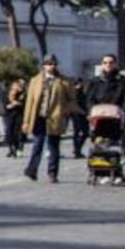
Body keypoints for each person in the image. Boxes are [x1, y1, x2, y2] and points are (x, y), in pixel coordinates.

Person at [21, 53, 77, 183]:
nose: (51, 67)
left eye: (53, 64)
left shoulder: (64, 81)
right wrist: (26, 121)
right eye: (48, 64)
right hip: (39, 117)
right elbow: (29, 102)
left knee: (53, 146)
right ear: (43, 66)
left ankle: (52, 172)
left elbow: (72, 100)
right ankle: (32, 169)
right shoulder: (35, 80)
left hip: (55, 118)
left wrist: (64, 111)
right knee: (37, 145)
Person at [3, 77, 26, 156]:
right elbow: (5, 105)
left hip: (19, 115)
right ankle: (11, 148)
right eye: (19, 84)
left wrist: (18, 103)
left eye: (22, 84)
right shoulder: (9, 93)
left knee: (17, 132)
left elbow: (24, 104)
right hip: (9, 115)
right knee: (9, 131)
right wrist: (12, 104)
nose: (20, 86)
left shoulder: (23, 94)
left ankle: (16, 148)